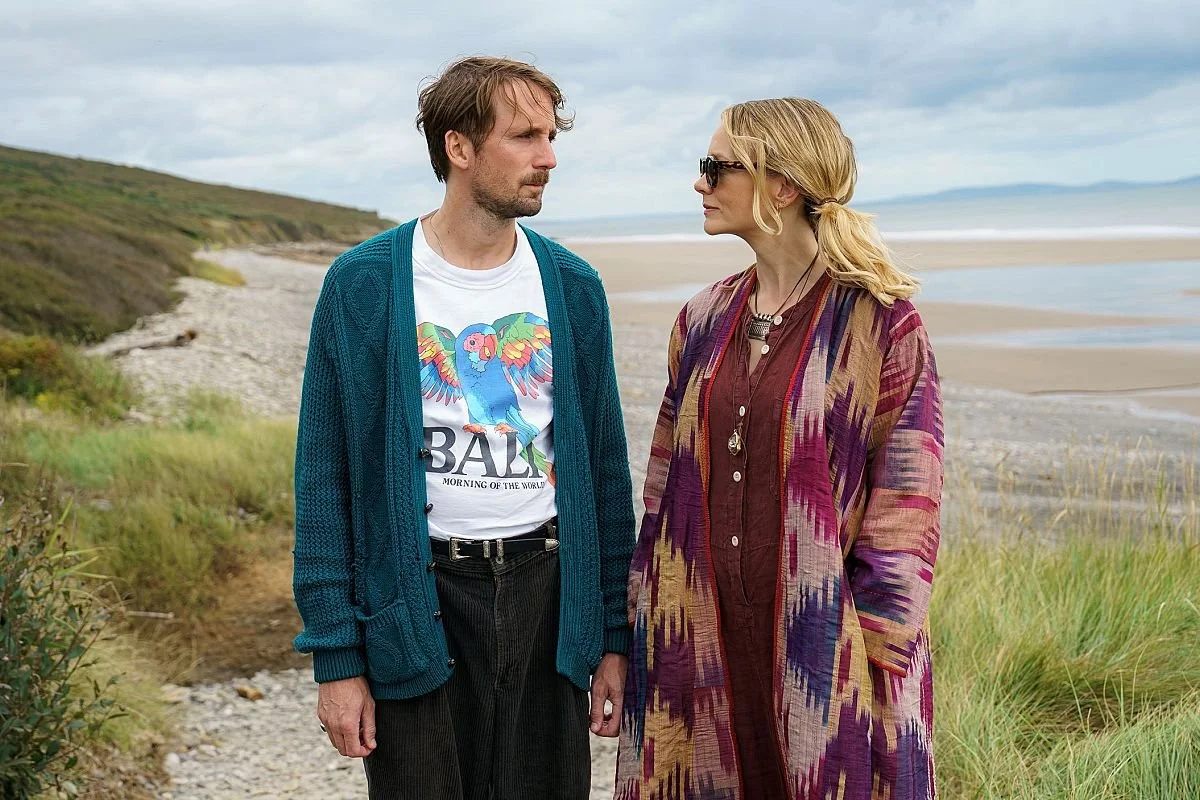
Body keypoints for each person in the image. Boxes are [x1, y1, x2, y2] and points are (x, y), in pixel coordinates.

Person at [292, 56, 635, 800]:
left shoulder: (572, 288)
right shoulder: (362, 285)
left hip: (548, 601)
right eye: (524, 136)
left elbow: (605, 473)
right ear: (459, 148)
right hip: (417, 600)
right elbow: (324, 483)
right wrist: (337, 658)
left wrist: (612, 636)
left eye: (551, 136)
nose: (548, 158)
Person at [616, 98, 943, 800]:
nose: (699, 183)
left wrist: (868, 667)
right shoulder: (702, 319)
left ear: (782, 186)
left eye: (716, 167)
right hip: (703, 641)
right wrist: (645, 617)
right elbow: (664, 485)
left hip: (825, 650)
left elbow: (904, 518)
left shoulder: (880, 324)